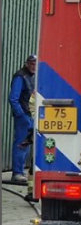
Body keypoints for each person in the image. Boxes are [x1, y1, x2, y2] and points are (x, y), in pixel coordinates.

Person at [8, 55, 36, 185]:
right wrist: (22, 115)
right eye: (31, 64)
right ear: (26, 64)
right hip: (23, 116)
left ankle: (20, 171)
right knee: (21, 144)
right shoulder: (21, 77)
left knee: (26, 144)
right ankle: (17, 173)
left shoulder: (31, 76)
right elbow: (13, 98)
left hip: (29, 115)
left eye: (35, 64)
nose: (34, 66)